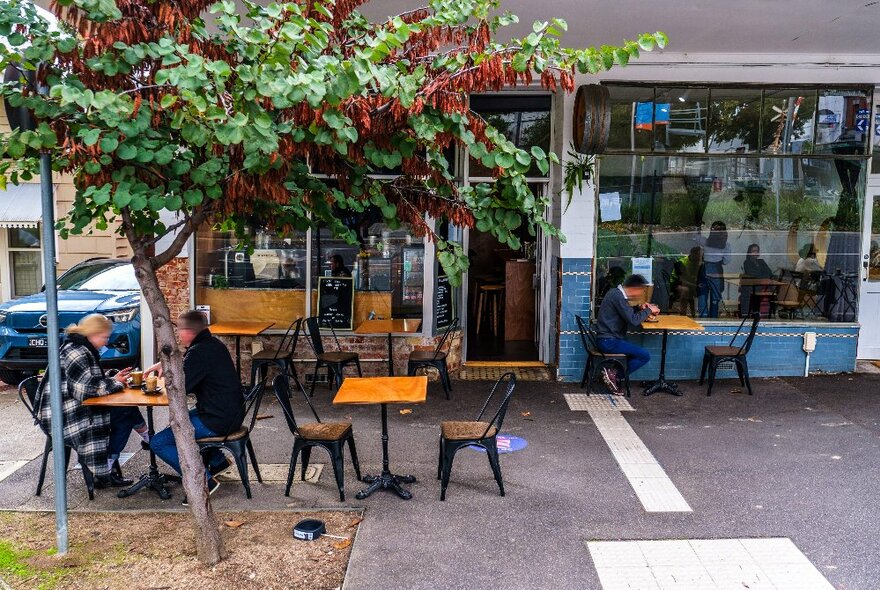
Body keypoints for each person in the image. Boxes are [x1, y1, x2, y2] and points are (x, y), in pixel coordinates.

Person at [35, 314, 146, 488]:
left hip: (71, 405)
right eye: (105, 337)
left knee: (126, 408)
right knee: (125, 413)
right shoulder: (76, 352)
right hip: (65, 414)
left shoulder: (79, 347)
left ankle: (114, 463)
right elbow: (84, 390)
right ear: (93, 333)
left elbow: (88, 381)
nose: (106, 342)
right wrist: (116, 382)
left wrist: (112, 378)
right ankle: (111, 466)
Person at [147, 311, 245, 502]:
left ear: (188, 332)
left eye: (180, 331)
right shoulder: (212, 345)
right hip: (230, 413)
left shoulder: (199, 352)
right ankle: (217, 461)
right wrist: (165, 363)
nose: (179, 336)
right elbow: (188, 364)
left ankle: (203, 482)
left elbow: (179, 389)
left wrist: (166, 374)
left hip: (218, 420)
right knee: (179, 424)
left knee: (159, 442)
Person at [595, 274, 658, 394]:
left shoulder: (616, 294)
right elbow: (633, 320)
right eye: (641, 291)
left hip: (608, 338)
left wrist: (640, 307)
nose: (640, 294)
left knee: (635, 352)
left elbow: (626, 312)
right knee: (644, 355)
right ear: (634, 288)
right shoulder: (618, 297)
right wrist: (649, 310)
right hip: (608, 341)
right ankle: (614, 376)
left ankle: (611, 375)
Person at [696, 221, 731, 318]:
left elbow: (695, 237)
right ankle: (713, 321)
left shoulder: (705, 241)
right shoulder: (726, 245)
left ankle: (703, 322)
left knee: (702, 297)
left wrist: (698, 227)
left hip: (704, 269)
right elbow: (726, 261)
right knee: (715, 299)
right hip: (716, 270)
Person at [740, 243, 775, 317]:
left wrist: (762, 276)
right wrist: (764, 275)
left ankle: (769, 313)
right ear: (749, 252)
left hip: (764, 286)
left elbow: (769, 272)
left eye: (757, 251)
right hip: (754, 286)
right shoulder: (747, 262)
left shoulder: (761, 261)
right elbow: (753, 274)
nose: (756, 252)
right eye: (753, 251)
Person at [670, 247, 705, 316]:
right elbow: (682, 280)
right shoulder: (682, 262)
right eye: (698, 256)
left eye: (701, 257)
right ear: (692, 254)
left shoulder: (700, 263)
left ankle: (694, 314)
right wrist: (695, 286)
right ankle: (683, 314)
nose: (699, 259)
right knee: (686, 290)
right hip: (676, 283)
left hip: (690, 284)